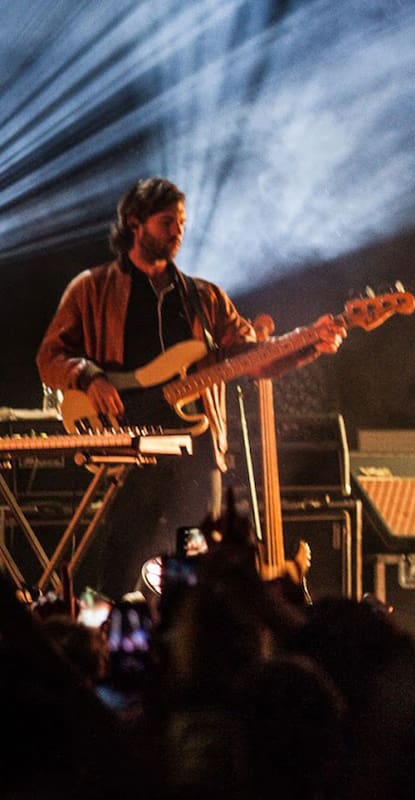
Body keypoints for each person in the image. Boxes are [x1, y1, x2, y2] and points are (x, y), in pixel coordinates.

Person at [36, 177, 344, 595]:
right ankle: (114, 647)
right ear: (135, 223)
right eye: (167, 222)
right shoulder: (92, 289)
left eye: (181, 222)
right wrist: (89, 378)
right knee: (120, 563)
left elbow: (252, 359)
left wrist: (309, 343)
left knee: (195, 564)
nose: (178, 231)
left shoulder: (205, 298)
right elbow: (50, 357)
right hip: (129, 446)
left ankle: (183, 642)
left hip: (197, 451)